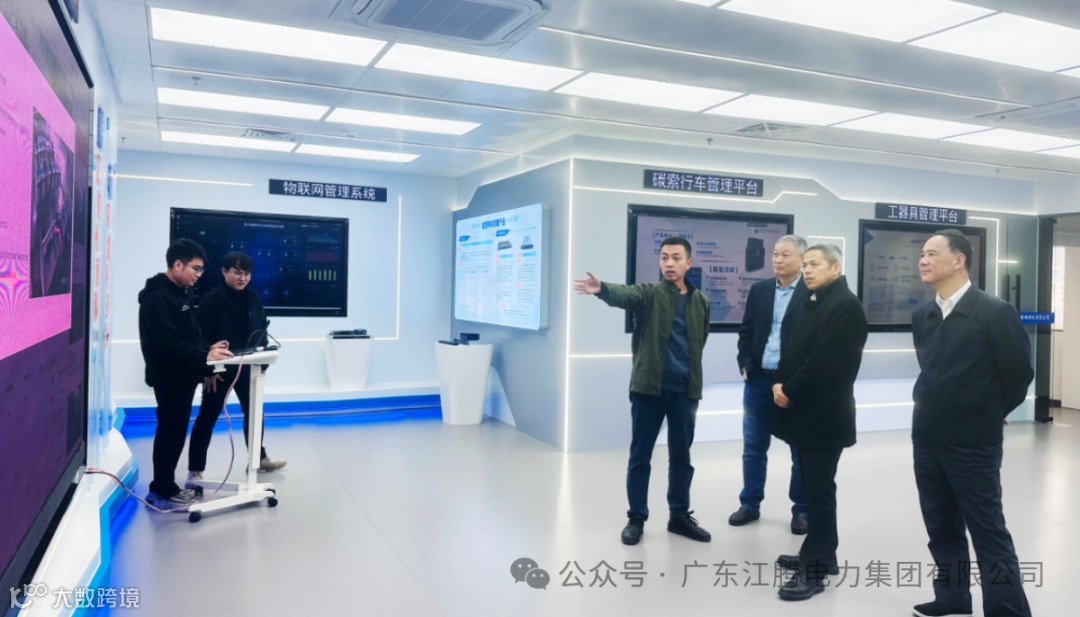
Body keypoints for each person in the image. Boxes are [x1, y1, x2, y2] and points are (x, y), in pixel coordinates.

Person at [910, 229, 1033, 617]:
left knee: (987, 531)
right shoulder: (923, 315)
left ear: (959, 259)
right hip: (927, 436)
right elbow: (930, 369)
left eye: (932, 254)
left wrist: (990, 410)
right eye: (922, 254)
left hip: (973, 441)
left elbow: (1019, 374)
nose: (923, 260)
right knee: (940, 526)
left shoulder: (995, 312)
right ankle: (952, 598)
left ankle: (1008, 610)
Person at [574, 236, 712, 546]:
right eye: (664, 258)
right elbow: (625, 295)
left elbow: (699, 343)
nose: (669, 263)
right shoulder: (649, 294)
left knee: (682, 457)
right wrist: (603, 289)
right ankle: (636, 517)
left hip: (685, 392)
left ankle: (679, 516)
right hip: (648, 389)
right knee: (640, 456)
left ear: (689, 263)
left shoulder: (701, 302)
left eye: (676, 258)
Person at [770, 244, 867, 601]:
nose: (807, 270)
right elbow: (791, 349)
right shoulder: (812, 301)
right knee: (815, 489)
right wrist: (779, 382)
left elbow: (826, 361)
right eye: (806, 264)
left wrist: (789, 389)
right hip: (804, 413)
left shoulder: (846, 307)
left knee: (819, 492)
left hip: (824, 415)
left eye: (815, 264)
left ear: (835, 268)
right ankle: (824, 556)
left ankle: (814, 572)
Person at [138, 239, 232, 510]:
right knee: (170, 432)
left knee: (176, 431)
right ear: (178, 264)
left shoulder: (181, 294)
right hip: (169, 378)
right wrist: (204, 357)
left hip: (185, 375)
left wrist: (206, 358)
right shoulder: (159, 298)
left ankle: (165, 486)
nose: (199, 275)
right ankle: (162, 489)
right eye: (196, 268)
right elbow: (168, 344)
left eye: (201, 270)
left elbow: (191, 336)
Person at [730, 234, 810, 534]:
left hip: (793, 385)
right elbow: (746, 331)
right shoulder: (760, 290)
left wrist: (796, 382)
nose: (777, 259)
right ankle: (750, 503)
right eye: (775, 254)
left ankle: (802, 509)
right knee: (753, 447)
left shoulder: (812, 292)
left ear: (801, 259)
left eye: (785, 254)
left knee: (799, 451)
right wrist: (745, 364)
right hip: (758, 381)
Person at [187, 252, 286, 489]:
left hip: (249, 368)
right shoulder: (211, 300)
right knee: (207, 416)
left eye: (247, 274)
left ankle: (258, 459)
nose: (243, 278)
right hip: (219, 370)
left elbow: (261, 333)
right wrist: (208, 371)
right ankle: (196, 469)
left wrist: (262, 365)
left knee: (255, 413)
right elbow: (200, 339)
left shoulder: (254, 299)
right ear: (225, 271)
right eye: (238, 273)